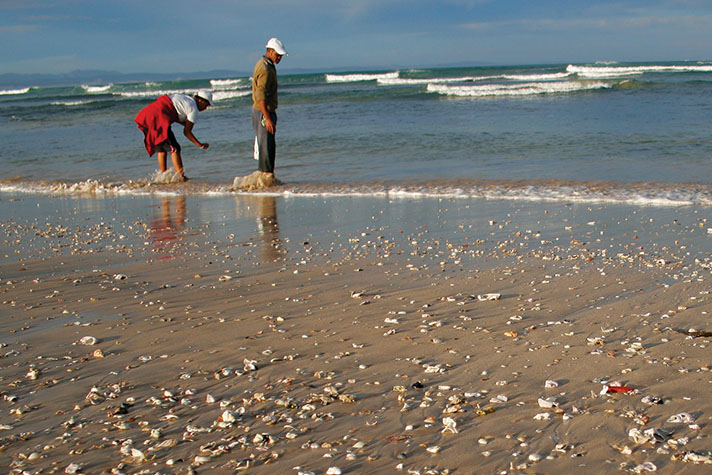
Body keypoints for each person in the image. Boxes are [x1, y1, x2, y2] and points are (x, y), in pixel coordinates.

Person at [135, 90, 213, 181]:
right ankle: (181, 176)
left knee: (162, 149)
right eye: (207, 105)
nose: (206, 108)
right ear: (201, 101)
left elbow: (173, 111)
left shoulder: (186, 99)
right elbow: (187, 132)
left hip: (148, 115)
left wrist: (185, 124)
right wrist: (200, 145)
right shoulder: (193, 109)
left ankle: (163, 176)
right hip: (159, 118)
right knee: (175, 148)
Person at [252, 37, 287, 177]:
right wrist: (267, 118)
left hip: (264, 111)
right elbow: (260, 95)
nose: (279, 57)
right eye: (277, 54)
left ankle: (267, 177)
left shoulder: (267, 65)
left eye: (281, 55)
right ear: (269, 51)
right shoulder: (265, 68)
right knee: (266, 147)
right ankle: (266, 178)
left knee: (268, 146)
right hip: (263, 112)